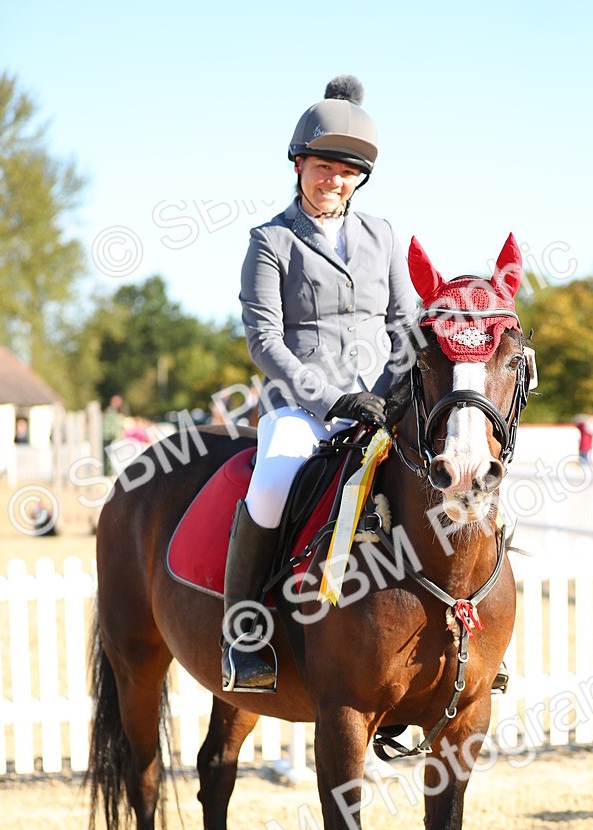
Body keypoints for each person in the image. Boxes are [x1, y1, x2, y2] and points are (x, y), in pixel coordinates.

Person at [222, 75, 416, 692]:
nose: (335, 180)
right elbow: (265, 342)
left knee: (444, 479)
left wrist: (385, 393)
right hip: (303, 411)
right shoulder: (271, 241)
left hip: (379, 403)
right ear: (298, 163)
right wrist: (334, 400)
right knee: (274, 484)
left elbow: (406, 322)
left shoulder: (383, 236)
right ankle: (243, 635)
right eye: (324, 166)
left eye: (348, 171)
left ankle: (460, 637)